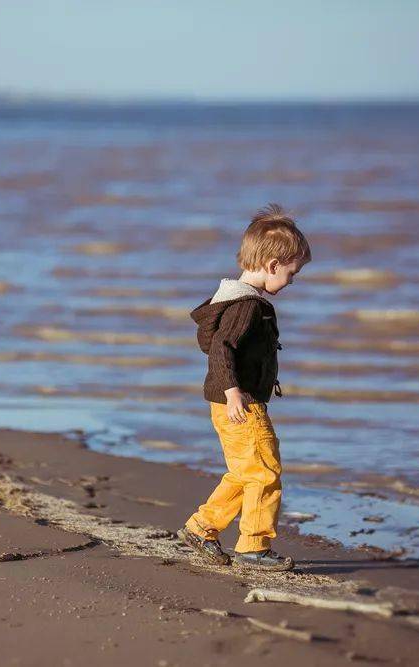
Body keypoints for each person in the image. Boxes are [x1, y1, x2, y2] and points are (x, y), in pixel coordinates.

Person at [177, 203, 311, 570]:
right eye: (292, 273)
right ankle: (253, 546)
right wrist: (233, 390)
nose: (292, 280)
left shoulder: (235, 301)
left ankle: (201, 527)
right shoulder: (247, 307)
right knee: (265, 471)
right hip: (241, 403)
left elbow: (216, 342)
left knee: (244, 472)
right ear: (271, 266)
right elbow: (221, 347)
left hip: (228, 402)